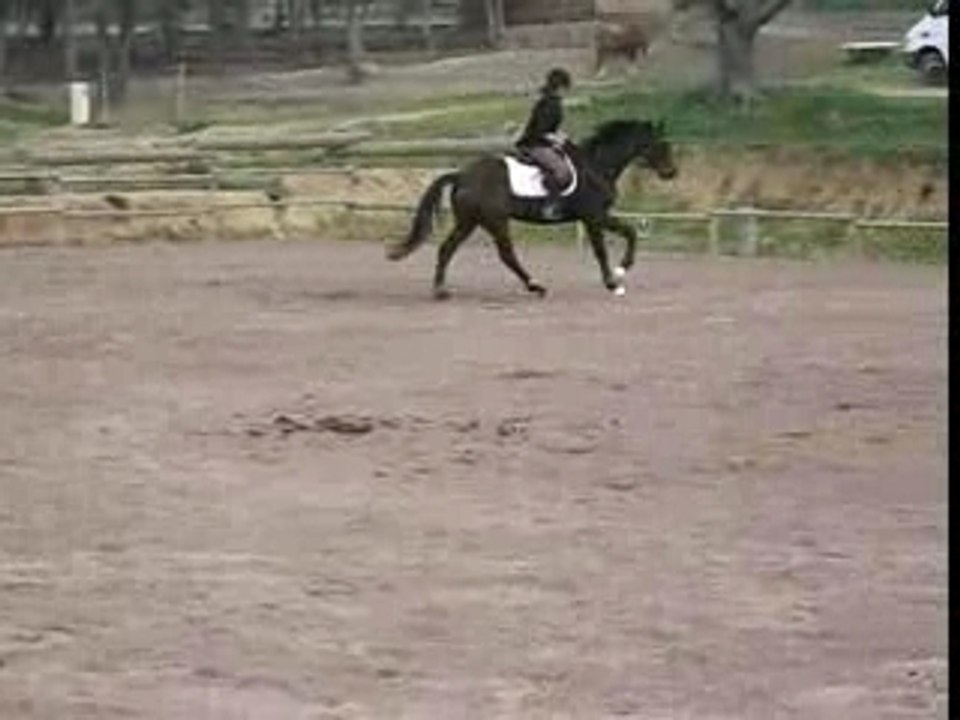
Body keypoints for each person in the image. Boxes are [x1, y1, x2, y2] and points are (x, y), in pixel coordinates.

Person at [515, 68, 573, 218]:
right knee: (562, 172)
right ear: (560, 87)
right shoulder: (550, 104)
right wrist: (556, 139)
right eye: (565, 88)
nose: (566, 92)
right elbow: (541, 131)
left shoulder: (550, 101)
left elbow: (550, 128)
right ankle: (550, 205)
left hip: (541, 142)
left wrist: (560, 136)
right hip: (535, 145)